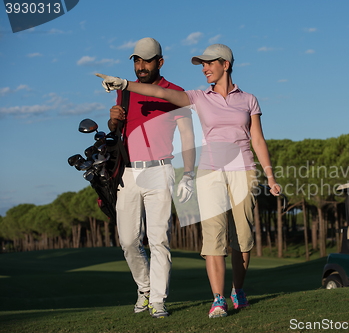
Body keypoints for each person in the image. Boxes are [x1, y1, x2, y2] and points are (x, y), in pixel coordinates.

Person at [97, 43, 280, 319]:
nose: (204, 69)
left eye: (209, 64)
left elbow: (257, 139)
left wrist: (270, 175)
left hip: (242, 169)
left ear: (225, 64)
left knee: (242, 238)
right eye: (202, 65)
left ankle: (236, 290)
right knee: (212, 239)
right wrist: (124, 85)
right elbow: (158, 92)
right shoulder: (197, 96)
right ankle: (218, 299)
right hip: (209, 171)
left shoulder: (249, 99)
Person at [106, 37, 195, 319]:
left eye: (146, 60)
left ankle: (158, 299)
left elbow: (188, 137)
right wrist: (113, 119)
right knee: (129, 241)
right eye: (136, 61)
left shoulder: (175, 93)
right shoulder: (125, 92)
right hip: (129, 172)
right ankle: (144, 288)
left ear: (160, 62)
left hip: (160, 170)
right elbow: (116, 130)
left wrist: (189, 174)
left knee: (159, 240)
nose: (140, 66)